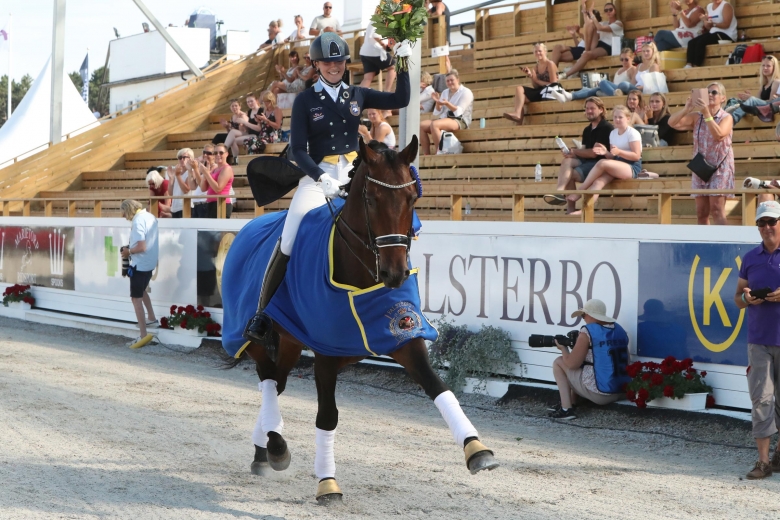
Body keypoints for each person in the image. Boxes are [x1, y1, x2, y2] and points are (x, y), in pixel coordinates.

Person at [242, 32, 412, 342]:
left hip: (354, 172)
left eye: (339, 61)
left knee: (391, 216)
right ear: (316, 64)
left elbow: (401, 99)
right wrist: (320, 178)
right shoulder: (306, 100)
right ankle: (262, 313)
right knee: (290, 237)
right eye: (327, 62)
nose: (334, 66)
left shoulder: (357, 95)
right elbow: (297, 149)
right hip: (318, 175)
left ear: (347, 63)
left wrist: (400, 59)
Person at [733, 200, 780, 479]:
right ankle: (763, 461)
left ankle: (777, 456)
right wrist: (748, 298)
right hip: (759, 339)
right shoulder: (750, 257)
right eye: (761, 223)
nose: (766, 228)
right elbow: (737, 299)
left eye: (771, 221)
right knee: (761, 399)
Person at [549, 299, 631, 420]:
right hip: (623, 391)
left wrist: (563, 349)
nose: (583, 318)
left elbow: (572, 364)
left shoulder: (587, 332)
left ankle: (566, 409)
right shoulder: (619, 329)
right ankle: (572, 402)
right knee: (586, 367)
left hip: (600, 394)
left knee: (559, 362)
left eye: (583, 315)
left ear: (589, 315)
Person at [669, 81, 734, 224]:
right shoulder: (696, 116)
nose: (710, 94)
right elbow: (672, 123)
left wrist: (707, 114)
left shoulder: (726, 117)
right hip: (700, 166)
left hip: (720, 168)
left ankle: (723, 245)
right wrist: (686, 109)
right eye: (708, 92)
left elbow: (719, 135)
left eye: (714, 92)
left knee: (717, 209)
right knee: (701, 212)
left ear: (723, 98)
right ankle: (705, 244)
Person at [566, 105, 643, 212]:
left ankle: (581, 190)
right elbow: (612, 156)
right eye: (615, 117)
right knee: (598, 182)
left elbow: (636, 156)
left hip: (632, 166)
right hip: (617, 164)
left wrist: (619, 152)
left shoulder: (632, 133)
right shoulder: (613, 133)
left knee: (602, 162)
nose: (617, 120)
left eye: (620, 117)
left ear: (628, 118)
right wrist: (605, 152)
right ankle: (585, 209)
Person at [544, 96, 614, 214]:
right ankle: (560, 192)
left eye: (592, 108)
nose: (589, 111)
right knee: (567, 161)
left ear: (601, 110)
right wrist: (571, 154)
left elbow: (593, 153)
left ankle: (568, 205)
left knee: (570, 174)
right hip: (588, 162)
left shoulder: (606, 128)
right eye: (587, 109)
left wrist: (575, 151)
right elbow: (585, 151)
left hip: (599, 165)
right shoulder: (587, 129)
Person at [120, 199, 159, 345]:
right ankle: (152, 318)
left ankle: (143, 335)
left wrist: (128, 251)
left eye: (124, 213)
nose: (123, 217)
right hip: (150, 262)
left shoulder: (137, 221)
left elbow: (141, 247)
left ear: (128, 210)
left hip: (140, 263)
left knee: (136, 299)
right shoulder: (150, 216)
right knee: (142, 290)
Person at [561, 1, 623, 80]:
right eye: (606, 10)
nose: (608, 12)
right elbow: (588, 25)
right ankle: (586, 51)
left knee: (586, 54)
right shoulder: (603, 23)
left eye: (610, 9)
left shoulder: (618, 24)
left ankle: (565, 74)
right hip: (598, 43)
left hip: (608, 46)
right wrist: (584, 9)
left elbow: (600, 28)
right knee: (590, 23)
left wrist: (591, 13)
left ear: (615, 11)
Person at [549, 47, 637, 102]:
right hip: (614, 90)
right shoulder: (619, 70)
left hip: (622, 92)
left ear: (632, 58)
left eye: (626, 59)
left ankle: (571, 96)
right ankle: (570, 96)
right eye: (622, 59)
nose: (624, 62)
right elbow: (613, 84)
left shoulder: (633, 69)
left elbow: (631, 86)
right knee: (588, 88)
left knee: (602, 83)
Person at [502, 43, 558, 125]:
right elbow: (536, 86)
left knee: (520, 96)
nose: (538, 53)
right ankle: (518, 118)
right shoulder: (536, 67)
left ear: (545, 51)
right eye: (536, 51)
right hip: (540, 91)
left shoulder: (550, 64)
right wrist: (531, 76)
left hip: (550, 92)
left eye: (540, 51)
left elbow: (554, 84)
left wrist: (537, 80)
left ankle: (518, 116)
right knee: (519, 92)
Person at [420, 69, 473, 155]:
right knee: (421, 125)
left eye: (452, 80)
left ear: (457, 80)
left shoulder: (466, 92)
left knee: (435, 124)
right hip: (445, 118)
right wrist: (437, 102)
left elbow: (459, 112)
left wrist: (447, 104)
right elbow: (437, 112)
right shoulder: (445, 92)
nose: (450, 82)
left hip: (460, 120)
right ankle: (427, 154)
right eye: (447, 81)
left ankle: (440, 152)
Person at [728, 56, 780, 125]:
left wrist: (752, 99)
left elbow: (770, 102)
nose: (765, 68)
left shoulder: (776, 82)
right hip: (762, 106)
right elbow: (757, 100)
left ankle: (732, 119)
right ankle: (725, 116)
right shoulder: (764, 84)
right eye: (763, 65)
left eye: (768, 66)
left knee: (751, 100)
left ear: (774, 68)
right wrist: (749, 97)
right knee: (734, 100)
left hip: (769, 106)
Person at [684, 0, 737, 67]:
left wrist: (713, 24)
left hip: (727, 34)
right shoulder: (709, 6)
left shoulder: (726, 6)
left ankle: (696, 65)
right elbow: (709, 27)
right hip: (713, 32)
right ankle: (689, 64)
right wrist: (704, 20)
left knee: (701, 42)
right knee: (691, 42)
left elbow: (726, 24)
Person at [359, 22, 397, 92]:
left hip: (365, 52)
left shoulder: (373, 21)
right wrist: (383, 45)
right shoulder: (378, 21)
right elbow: (375, 36)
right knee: (393, 67)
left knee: (368, 77)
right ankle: (386, 92)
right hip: (375, 51)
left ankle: (357, 97)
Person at [201, 143, 235, 219]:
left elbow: (218, 189)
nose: (218, 155)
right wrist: (205, 174)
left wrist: (207, 173)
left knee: (217, 230)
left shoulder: (227, 169)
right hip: (211, 203)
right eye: (215, 153)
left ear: (226, 154)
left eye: (221, 153)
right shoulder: (215, 169)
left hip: (221, 204)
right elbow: (203, 188)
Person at [189, 144, 214, 218]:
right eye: (204, 152)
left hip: (204, 203)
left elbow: (202, 186)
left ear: (214, 156)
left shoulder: (214, 167)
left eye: (209, 153)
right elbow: (193, 186)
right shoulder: (202, 167)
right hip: (197, 204)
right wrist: (190, 170)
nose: (205, 155)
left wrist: (196, 169)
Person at [220, 99, 247, 165]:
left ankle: (223, 150)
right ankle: (236, 160)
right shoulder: (232, 117)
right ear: (230, 108)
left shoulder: (242, 115)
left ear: (240, 107)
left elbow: (244, 129)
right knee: (232, 140)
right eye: (232, 106)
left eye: (236, 106)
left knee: (232, 132)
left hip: (245, 133)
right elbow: (230, 132)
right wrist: (226, 126)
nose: (234, 107)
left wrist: (241, 124)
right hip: (237, 134)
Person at [169, 148, 194, 218]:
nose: (181, 160)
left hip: (186, 207)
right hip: (175, 207)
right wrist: (171, 178)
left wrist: (178, 176)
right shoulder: (177, 172)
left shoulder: (190, 171)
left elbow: (186, 190)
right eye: (180, 158)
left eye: (184, 157)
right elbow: (170, 193)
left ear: (190, 158)